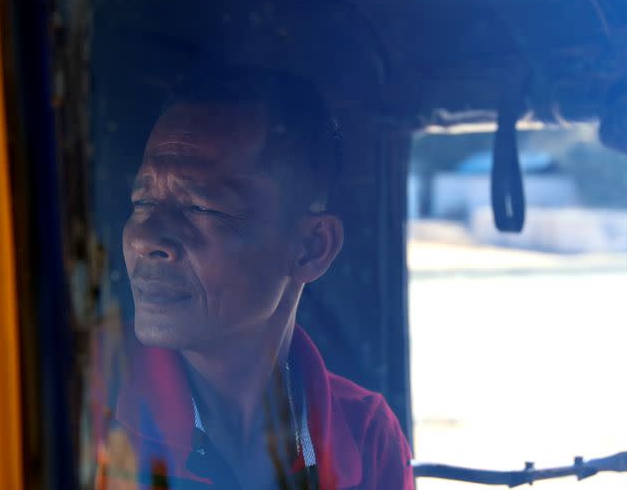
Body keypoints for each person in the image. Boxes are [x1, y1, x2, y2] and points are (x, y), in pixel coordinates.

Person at [111, 65, 414, 489]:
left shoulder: (365, 435)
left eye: (200, 206)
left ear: (311, 248)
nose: (144, 238)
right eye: (143, 202)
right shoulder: (65, 409)